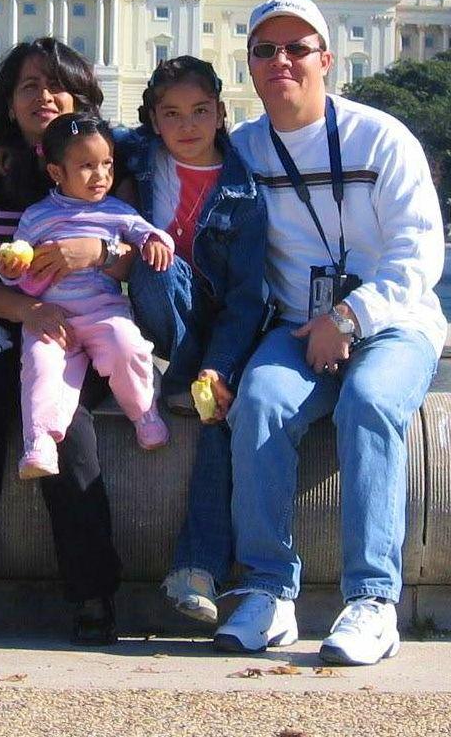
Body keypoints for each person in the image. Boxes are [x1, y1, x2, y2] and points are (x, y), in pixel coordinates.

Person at [213, 0, 445, 667]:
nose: (280, 61)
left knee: (370, 401)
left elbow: (419, 256)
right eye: (265, 50)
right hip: (296, 327)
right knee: (258, 405)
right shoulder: (244, 152)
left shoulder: (382, 138)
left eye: (296, 48)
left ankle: (373, 599)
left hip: (394, 323)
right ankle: (267, 590)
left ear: (326, 60)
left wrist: (348, 317)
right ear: (250, 66)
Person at [0, 38, 124, 645]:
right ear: (7, 102)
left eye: (56, 84)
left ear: (80, 96)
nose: (44, 96)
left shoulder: (105, 167)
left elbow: (133, 256)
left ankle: (93, 592)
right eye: (28, 86)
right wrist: (28, 311)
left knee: (71, 437)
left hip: (79, 332)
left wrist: (100, 252)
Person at [118, 56, 269, 626]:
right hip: (163, 308)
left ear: (221, 114)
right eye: (173, 114)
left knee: (218, 414)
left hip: (222, 324)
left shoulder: (243, 193)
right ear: (154, 120)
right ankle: (187, 374)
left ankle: (195, 568)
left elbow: (247, 300)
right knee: (153, 262)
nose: (187, 125)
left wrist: (222, 367)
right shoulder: (137, 157)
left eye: (200, 112)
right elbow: (67, 141)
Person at [0, 113, 173, 477]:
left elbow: (146, 232)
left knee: (129, 348)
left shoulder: (116, 211)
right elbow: (18, 258)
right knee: (41, 370)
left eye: (107, 164)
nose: (102, 176)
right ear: (57, 172)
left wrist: (156, 241)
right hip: (52, 315)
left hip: (104, 311)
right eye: (87, 166)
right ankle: (40, 444)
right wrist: (9, 267)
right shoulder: (37, 215)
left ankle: (144, 414)